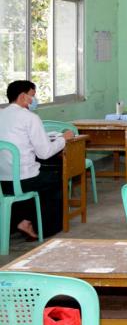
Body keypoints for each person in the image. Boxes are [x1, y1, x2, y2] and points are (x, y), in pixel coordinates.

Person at [0, 80, 69, 240]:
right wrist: (63, 139)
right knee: (55, 179)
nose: (33, 100)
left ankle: (21, 220)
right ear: (22, 96)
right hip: (24, 180)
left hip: (3, 182)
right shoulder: (30, 117)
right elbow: (45, 153)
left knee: (37, 177)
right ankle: (44, 229)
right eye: (32, 95)